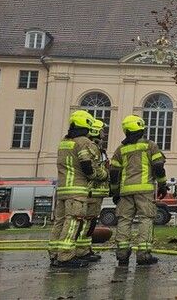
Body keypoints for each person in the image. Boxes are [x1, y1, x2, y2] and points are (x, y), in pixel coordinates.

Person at [48, 110, 108, 268]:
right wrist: (102, 174)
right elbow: (88, 166)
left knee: (59, 222)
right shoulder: (84, 142)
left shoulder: (64, 142)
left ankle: (54, 253)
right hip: (77, 190)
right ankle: (66, 256)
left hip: (62, 189)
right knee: (74, 221)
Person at [110, 115, 168, 266]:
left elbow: (114, 172)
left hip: (125, 191)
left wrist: (115, 192)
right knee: (146, 219)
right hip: (145, 190)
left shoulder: (120, 150)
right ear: (142, 128)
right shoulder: (150, 146)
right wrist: (162, 185)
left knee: (124, 220)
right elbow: (158, 167)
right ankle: (143, 254)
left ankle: (122, 255)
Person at [80, 118, 109, 261]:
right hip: (91, 191)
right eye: (102, 130)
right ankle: (81, 250)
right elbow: (95, 169)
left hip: (95, 193)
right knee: (87, 222)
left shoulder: (97, 147)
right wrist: (105, 175)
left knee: (90, 222)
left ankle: (85, 249)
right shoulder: (92, 147)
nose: (104, 133)